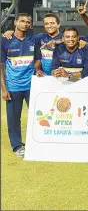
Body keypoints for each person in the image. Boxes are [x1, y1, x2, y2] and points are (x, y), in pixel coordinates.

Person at [0, 13, 41, 157]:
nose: (25, 24)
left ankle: (37, 142)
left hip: (32, 86)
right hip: (13, 87)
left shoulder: (33, 40)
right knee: (13, 119)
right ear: (15, 22)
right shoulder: (5, 40)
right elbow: (1, 67)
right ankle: (17, 146)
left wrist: (37, 68)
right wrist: (4, 89)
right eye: (22, 21)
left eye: (28, 22)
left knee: (38, 116)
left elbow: (37, 59)